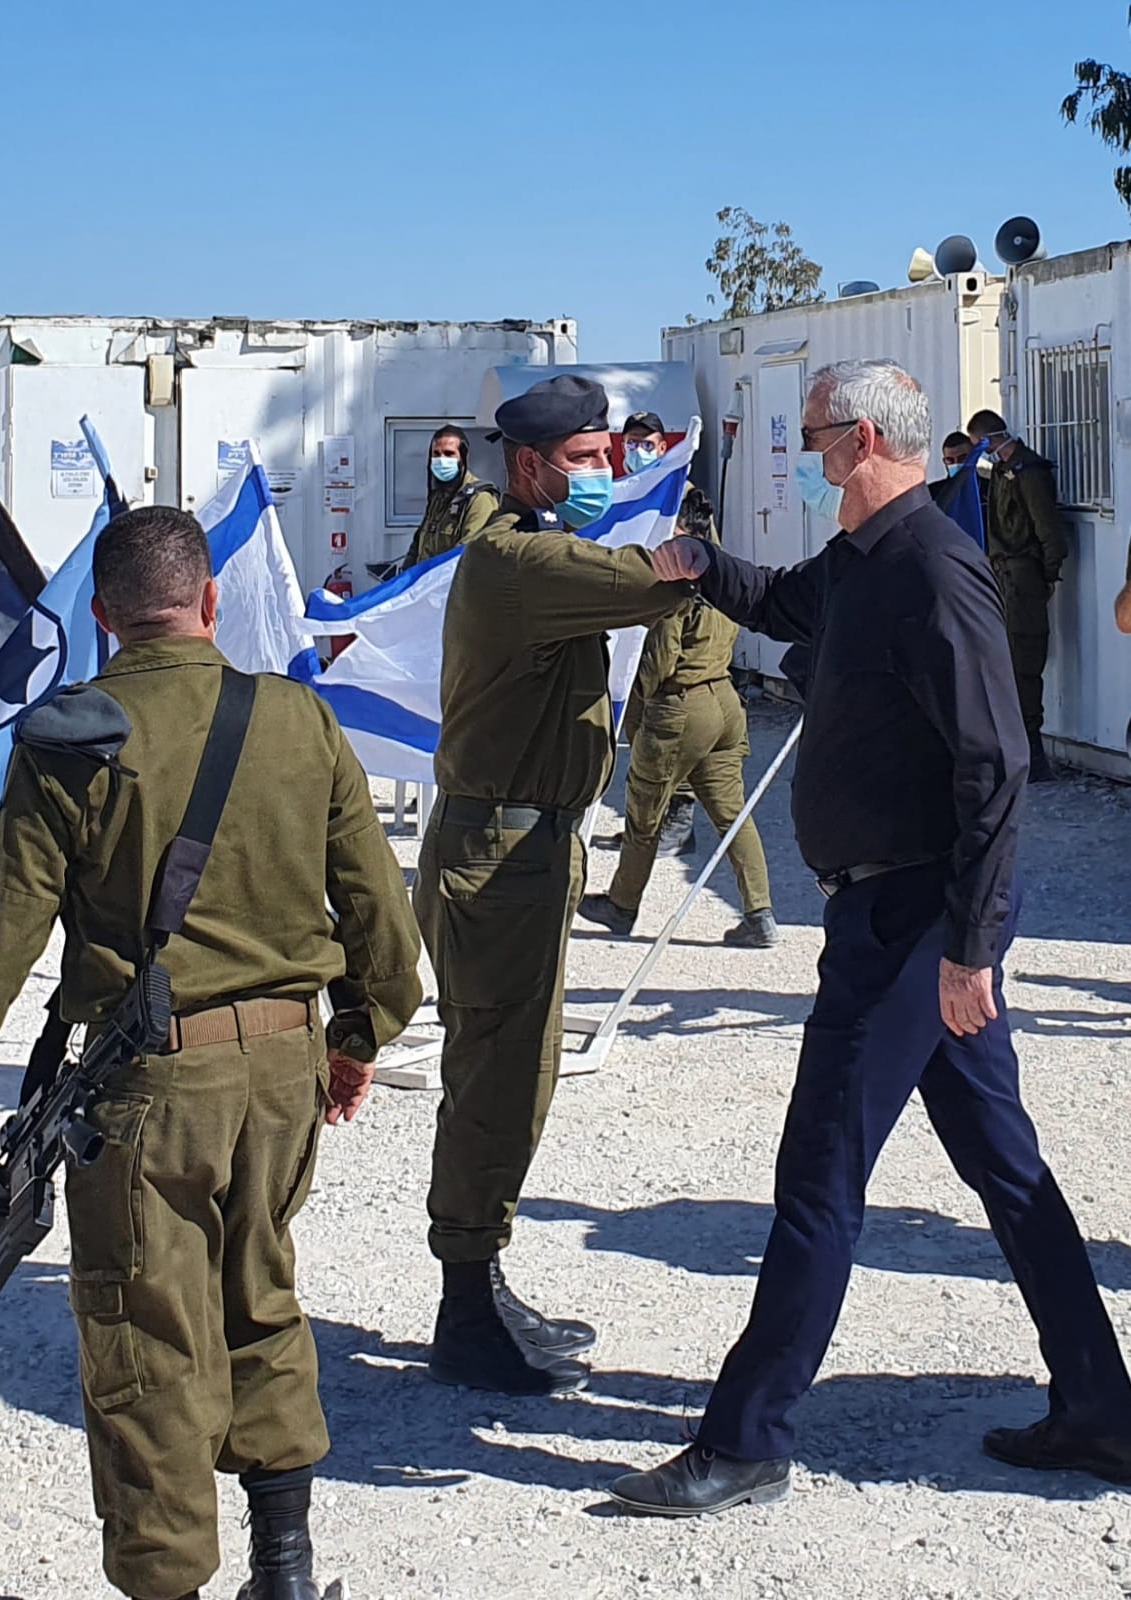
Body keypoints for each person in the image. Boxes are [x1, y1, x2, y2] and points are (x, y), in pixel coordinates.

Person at [610, 359, 1131, 1518]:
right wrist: (696, 563)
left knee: (819, 1172)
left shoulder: (933, 569)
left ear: (858, 440)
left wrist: (969, 948)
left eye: (809, 437)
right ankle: (1101, 1408)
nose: (801, 455)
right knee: (1005, 1166)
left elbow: (993, 766)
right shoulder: (858, 558)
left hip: (910, 923)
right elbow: (781, 603)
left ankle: (745, 1438)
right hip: (884, 912)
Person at [0, 506, 422, 1600]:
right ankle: (285, 1570)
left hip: (152, 1088)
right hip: (284, 1075)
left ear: (101, 614)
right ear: (210, 600)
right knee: (261, 1294)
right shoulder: (298, 717)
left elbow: (0, 934)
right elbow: (379, 909)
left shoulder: (76, 738)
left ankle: (171, 1582)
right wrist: (362, 1033)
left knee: (146, 1340)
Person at [413, 374, 697, 1396]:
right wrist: (703, 554)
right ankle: (465, 1309)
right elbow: (655, 584)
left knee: (518, 1075)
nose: (603, 472)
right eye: (584, 460)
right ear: (529, 465)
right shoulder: (516, 559)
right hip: (499, 856)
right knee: (494, 1084)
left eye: (607, 457)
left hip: (525, 847)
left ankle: (482, 1282)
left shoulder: (531, 548)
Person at [577, 486, 778, 948]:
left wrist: (632, 707)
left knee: (644, 813)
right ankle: (759, 911)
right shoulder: (723, 571)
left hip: (680, 704)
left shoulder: (679, 581)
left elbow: (660, 659)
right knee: (732, 813)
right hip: (723, 699)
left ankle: (622, 904)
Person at [966, 409, 1067, 782]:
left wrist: (1047, 575)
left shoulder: (1028, 471)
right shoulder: (1003, 471)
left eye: (979, 445)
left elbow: (1048, 530)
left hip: (1023, 576)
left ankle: (1033, 753)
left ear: (989, 440)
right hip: (1004, 575)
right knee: (1005, 661)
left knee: (1025, 659)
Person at [615, 410, 697, 857]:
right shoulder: (628, 492)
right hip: (635, 619)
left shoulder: (685, 496)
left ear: (664, 448)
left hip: (672, 622)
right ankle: (642, 824)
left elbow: (702, 565)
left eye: (647, 444)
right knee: (636, 728)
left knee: (664, 737)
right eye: (632, 442)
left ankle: (678, 817)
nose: (638, 450)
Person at [400, 423, 500, 570]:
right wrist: (406, 576)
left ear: (462, 458)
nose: (441, 460)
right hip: (426, 580)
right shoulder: (438, 498)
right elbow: (418, 543)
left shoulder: (480, 499)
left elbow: (466, 554)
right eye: (436, 454)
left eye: (449, 454)